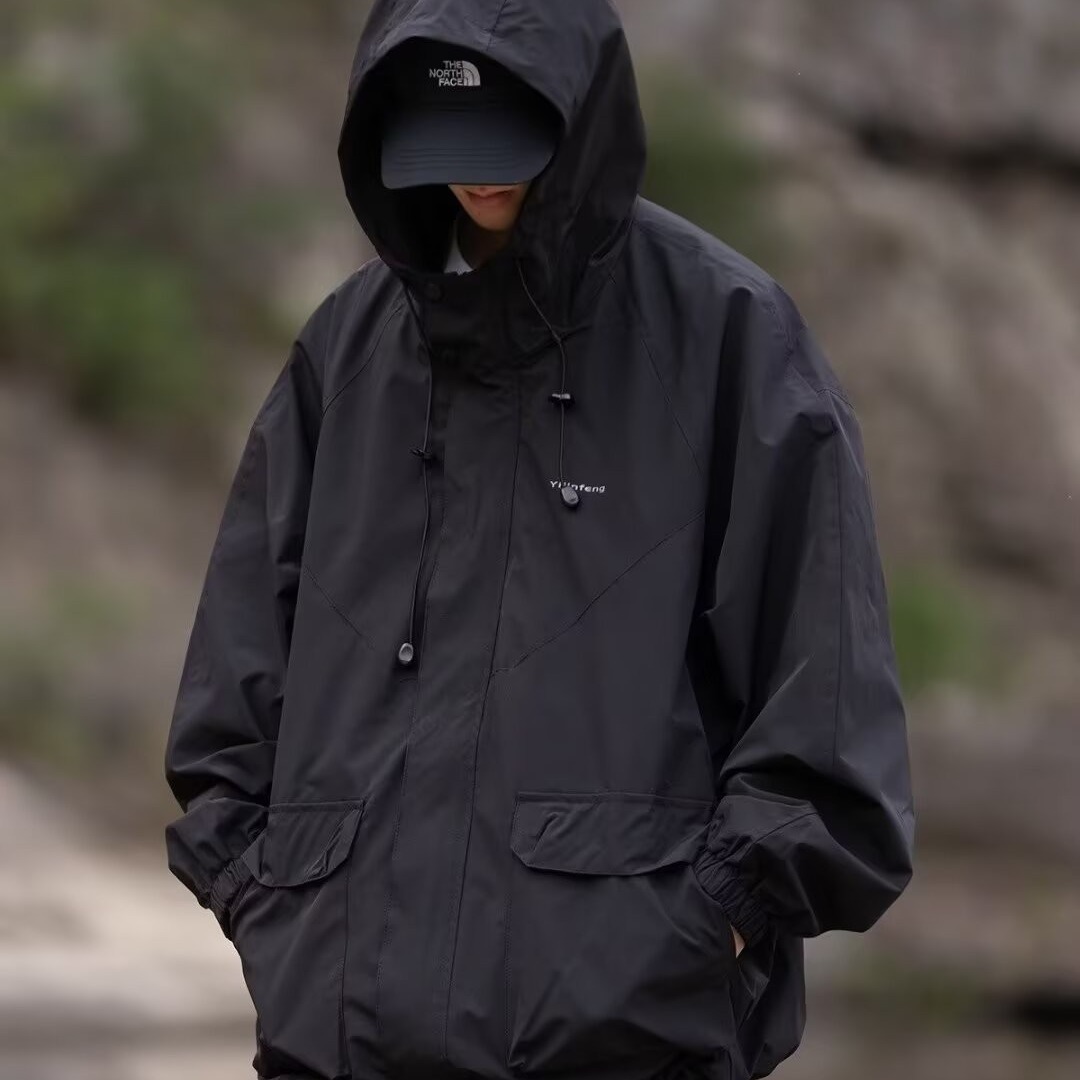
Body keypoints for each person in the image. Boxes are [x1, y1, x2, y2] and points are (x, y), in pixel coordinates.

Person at [162, 3, 915, 1080]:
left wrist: (700, 932)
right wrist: (278, 920)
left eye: (506, 139)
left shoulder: (729, 334)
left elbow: (827, 719)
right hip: (336, 1050)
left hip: (628, 1049)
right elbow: (229, 709)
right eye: (447, 141)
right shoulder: (346, 352)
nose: (477, 178)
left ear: (582, 111)